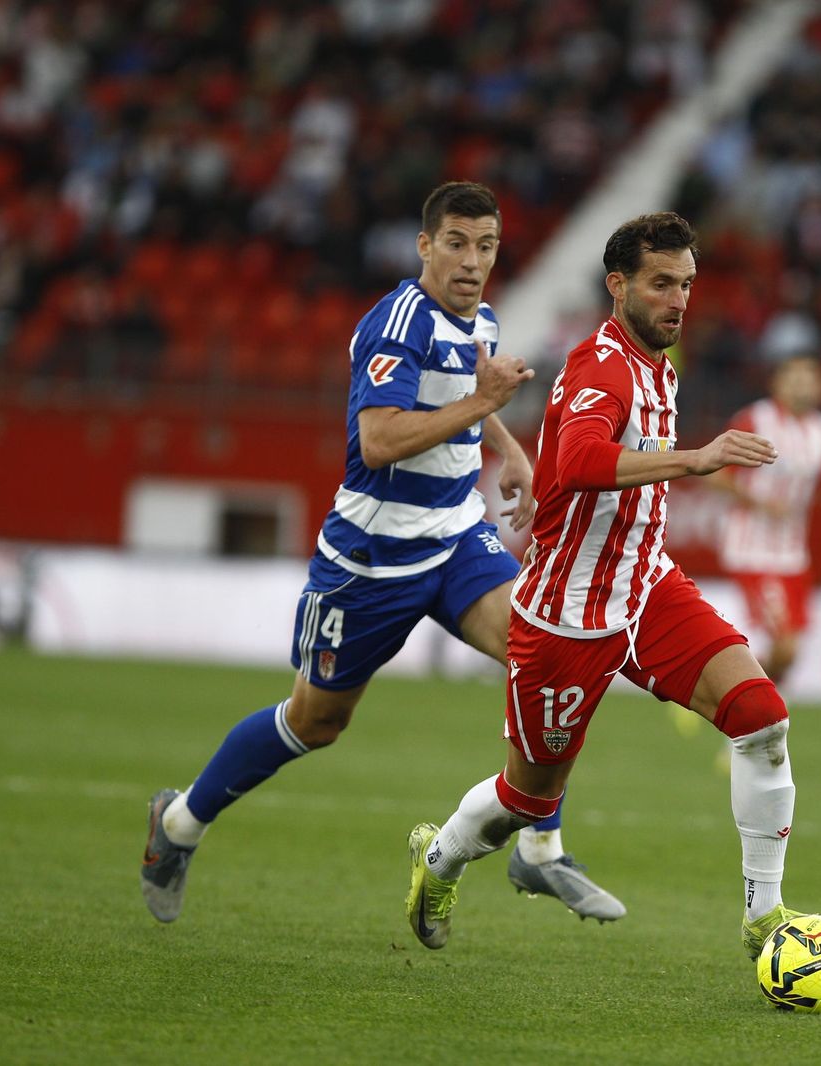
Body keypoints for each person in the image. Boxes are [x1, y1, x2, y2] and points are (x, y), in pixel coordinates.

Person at [141, 182, 624, 924]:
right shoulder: (396, 324)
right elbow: (381, 439)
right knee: (315, 723)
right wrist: (487, 406)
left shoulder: (481, 318)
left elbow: (469, 391)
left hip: (458, 539)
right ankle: (178, 824)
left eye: (486, 246)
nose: (472, 261)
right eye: (456, 243)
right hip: (371, 558)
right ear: (425, 245)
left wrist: (509, 449)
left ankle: (538, 852)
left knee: (548, 656)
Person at [403, 211, 806, 960]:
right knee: (526, 798)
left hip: (646, 585)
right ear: (618, 286)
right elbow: (583, 460)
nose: (678, 300)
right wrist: (695, 460)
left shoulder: (658, 365)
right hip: (569, 609)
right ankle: (440, 858)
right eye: (661, 284)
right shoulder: (602, 365)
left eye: (686, 285)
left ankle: (765, 919)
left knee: (762, 718)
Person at [710, 355, 821, 684]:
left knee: (790, 654)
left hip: (793, 556)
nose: (803, 384)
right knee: (784, 646)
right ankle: (739, 710)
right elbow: (714, 476)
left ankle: (749, 715)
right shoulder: (755, 420)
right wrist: (759, 503)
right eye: (795, 377)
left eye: (810, 378)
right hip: (752, 550)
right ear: (777, 383)